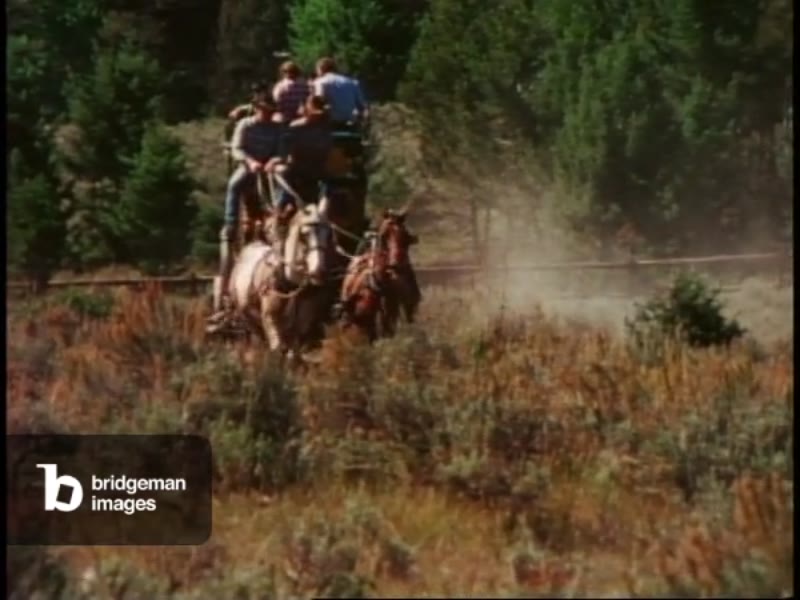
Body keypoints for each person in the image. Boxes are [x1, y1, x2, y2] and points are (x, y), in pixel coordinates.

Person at [213, 93, 284, 316]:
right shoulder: (245, 124)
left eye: (271, 111)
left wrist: (274, 160)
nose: (268, 114)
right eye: (265, 110)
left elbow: (281, 150)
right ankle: (231, 220)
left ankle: (280, 214)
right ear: (256, 108)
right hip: (250, 166)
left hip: (270, 168)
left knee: (284, 186)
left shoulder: (276, 128)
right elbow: (237, 148)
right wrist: (250, 161)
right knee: (235, 185)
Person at [269, 94, 335, 262]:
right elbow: (285, 154)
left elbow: (325, 154)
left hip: (316, 174)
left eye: (319, 114)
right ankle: (278, 235)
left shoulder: (324, 131)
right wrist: (280, 160)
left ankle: (327, 243)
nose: (317, 117)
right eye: (314, 113)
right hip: (297, 174)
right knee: (284, 202)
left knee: (329, 195)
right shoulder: (295, 129)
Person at [312, 57, 369, 130]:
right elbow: (363, 105)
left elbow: (318, 103)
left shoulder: (320, 82)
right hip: (350, 122)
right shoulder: (352, 82)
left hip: (329, 123)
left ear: (321, 69)